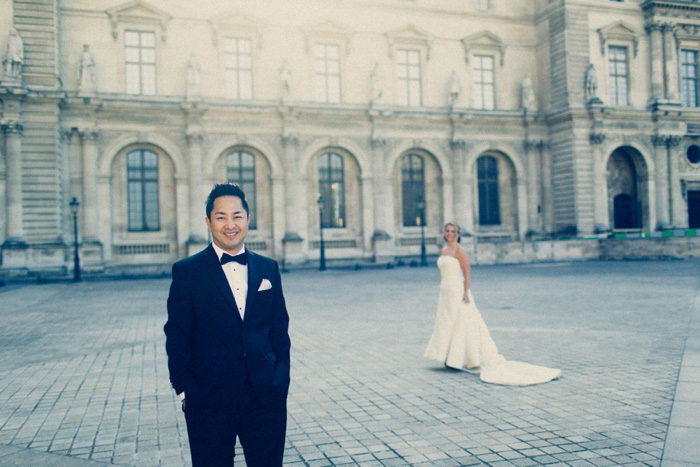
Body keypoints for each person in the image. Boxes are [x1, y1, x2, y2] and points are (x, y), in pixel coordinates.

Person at [164, 183, 291, 466]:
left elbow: (279, 330)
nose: (230, 225)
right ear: (209, 222)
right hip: (208, 400)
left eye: (237, 216)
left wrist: (280, 379)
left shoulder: (268, 267)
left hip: (264, 396)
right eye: (221, 217)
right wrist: (185, 390)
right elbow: (177, 336)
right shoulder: (187, 272)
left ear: (248, 219)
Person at [424, 223, 561, 385]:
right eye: (447, 231)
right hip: (445, 292)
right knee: (446, 323)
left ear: (458, 234)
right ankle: (449, 357)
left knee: (462, 322)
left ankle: (459, 358)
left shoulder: (460, 251)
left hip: (457, 291)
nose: (450, 234)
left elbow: (467, 274)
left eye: (453, 231)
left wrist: (466, 293)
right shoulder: (444, 250)